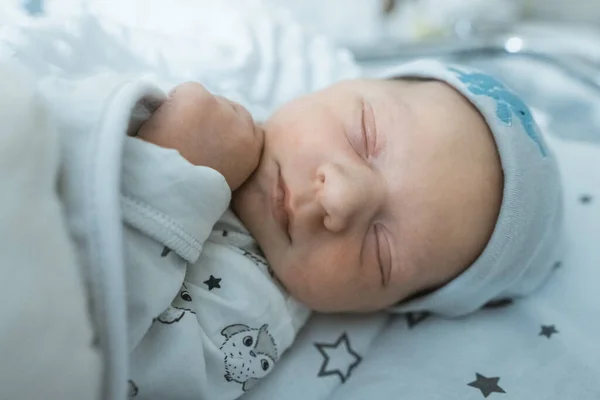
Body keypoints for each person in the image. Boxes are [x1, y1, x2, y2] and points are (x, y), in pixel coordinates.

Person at [118, 59, 562, 399]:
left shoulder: (244, 316)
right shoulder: (227, 88)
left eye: (381, 251)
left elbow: (91, 358)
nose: (340, 197)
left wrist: (164, 175)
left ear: (378, 306)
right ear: (341, 85)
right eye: (364, 134)